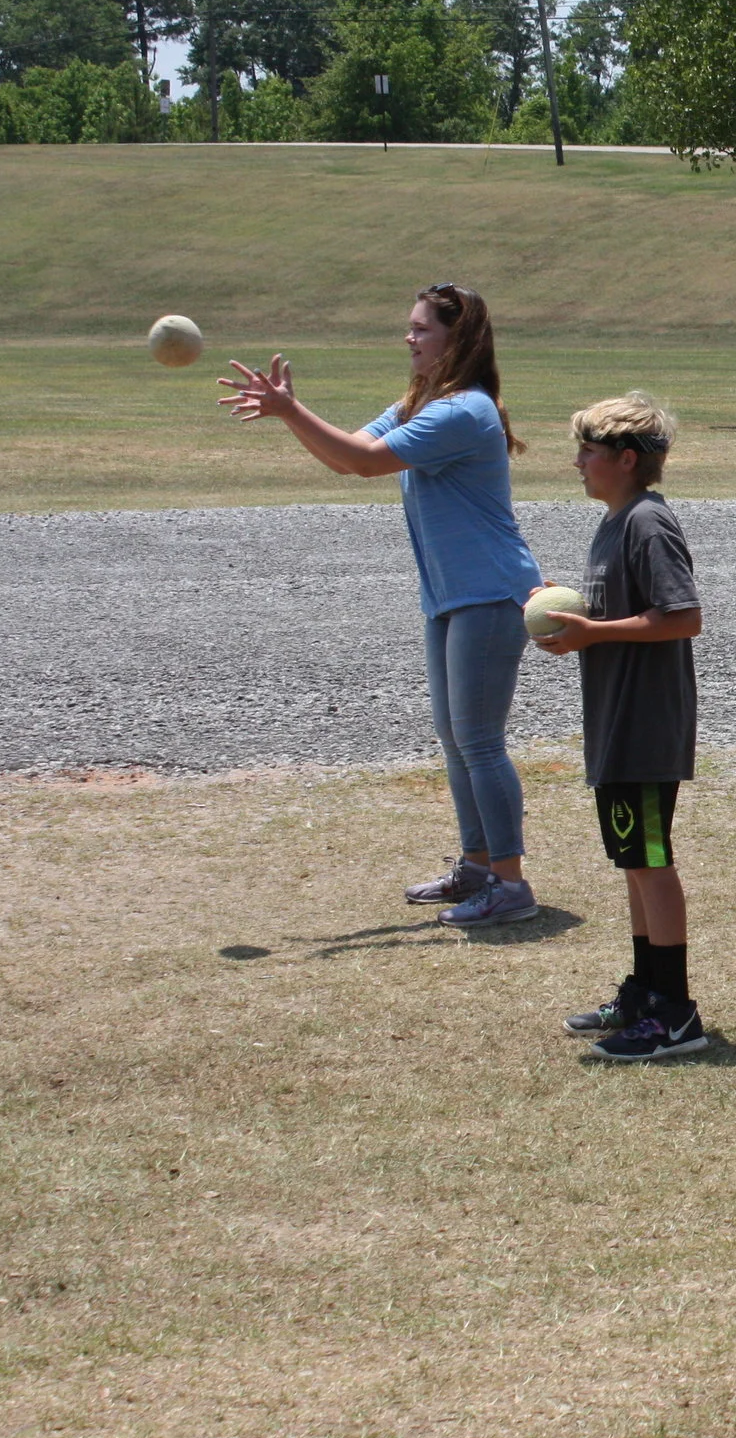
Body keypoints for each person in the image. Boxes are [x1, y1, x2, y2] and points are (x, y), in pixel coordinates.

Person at [219, 284, 545, 928]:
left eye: (422, 329)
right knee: (457, 741)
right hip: (452, 595)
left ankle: (510, 885)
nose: (410, 337)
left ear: (457, 340)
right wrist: (291, 412)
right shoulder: (421, 404)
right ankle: (478, 868)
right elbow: (347, 458)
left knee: (479, 741)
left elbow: (366, 462)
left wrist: (289, 410)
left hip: (490, 591)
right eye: (411, 327)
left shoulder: (464, 412)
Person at [533, 393, 710, 1062]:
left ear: (626, 459)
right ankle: (643, 991)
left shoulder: (647, 523)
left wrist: (593, 632)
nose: (577, 462)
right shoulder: (614, 523)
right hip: (616, 726)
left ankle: (674, 1012)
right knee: (634, 863)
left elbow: (683, 614)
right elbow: (620, 614)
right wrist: (569, 614)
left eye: (588, 451)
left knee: (651, 862)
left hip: (645, 727)